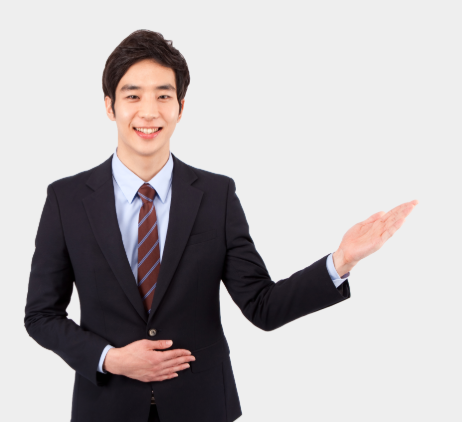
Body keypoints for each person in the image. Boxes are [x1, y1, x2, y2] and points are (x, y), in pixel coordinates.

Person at [24, 29, 418, 422]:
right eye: (133, 96)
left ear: (181, 107)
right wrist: (109, 359)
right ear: (110, 106)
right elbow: (41, 314)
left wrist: (342, 260)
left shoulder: (216, 196)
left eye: (163, 96)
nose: (149, 111)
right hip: (106, 409)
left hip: (202, 408)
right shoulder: (66, 200)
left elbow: (262, 306)